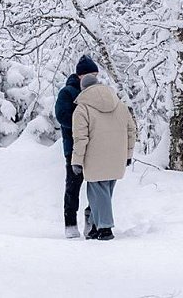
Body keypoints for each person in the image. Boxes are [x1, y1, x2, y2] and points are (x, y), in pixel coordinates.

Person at [71, 71, 137, 241]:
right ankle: (95, 226)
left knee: (97, 191)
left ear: (83, 88)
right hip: (116, 156)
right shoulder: (119, 104)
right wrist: (128, 154)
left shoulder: (82, 108)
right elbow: (131, 130)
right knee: (103, 192)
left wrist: (77, 161)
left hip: (94, 157)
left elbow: (80, 138)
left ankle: (106, 227)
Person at [55, 55, 98, 239]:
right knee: (73, 186)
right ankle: (70, 224)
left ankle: (92, 219)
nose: (94, 78)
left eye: (96, 74)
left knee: (96, 185)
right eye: (91, 74)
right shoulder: (68, 92)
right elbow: (62, 116)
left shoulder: (97, 92)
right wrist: (81, 123)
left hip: (95, 146)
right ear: (80, 75)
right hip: (73, 147)